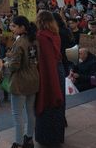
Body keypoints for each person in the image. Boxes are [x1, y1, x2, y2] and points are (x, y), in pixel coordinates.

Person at [5, 16, 39, 148]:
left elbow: (14, 66)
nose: (11, 28)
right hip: (34, 78)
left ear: (22, 27)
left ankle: (18, 143)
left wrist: (6, 64)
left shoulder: (19, 43)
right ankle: (29, 139)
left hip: (20, 81)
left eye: (14, 26)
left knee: (17, 113)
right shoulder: (35, 40)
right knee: (30, 112)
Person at [35, 11, 65, 146]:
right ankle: (57, 137)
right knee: (58, 105)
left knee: (48, 101)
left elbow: (45, 59)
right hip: (58, 70)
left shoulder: (41, 36)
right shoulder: (55, 34)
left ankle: (47, 139)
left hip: (48, 73)